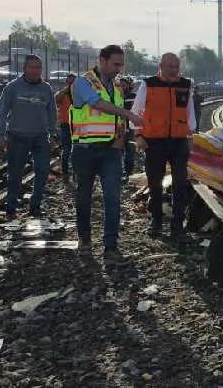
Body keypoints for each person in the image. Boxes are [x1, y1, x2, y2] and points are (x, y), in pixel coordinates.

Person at [70, 45, 143, 261]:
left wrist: (120, 139)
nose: (119, 69)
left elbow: (117, 118)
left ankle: (110, 246)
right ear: (102, 60)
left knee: (113, 198)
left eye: (121, 65)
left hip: (110, 151)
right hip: (85, 150)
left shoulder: (117, 86)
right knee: (84, 196)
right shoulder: (83, 82)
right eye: (115, 64)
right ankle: (84, 239)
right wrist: (128, 113)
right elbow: (98, 104)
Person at [130, 53, 195, 239]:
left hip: (179, 141)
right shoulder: (148, 85)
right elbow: (136, 111)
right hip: (154, 141)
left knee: (180, 184)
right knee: (155, 183)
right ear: (161, 66)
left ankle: (177, 225)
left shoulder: (185, 85)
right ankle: (156, 220)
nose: (175, 70)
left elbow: (189, 112)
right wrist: (137, 134)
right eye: (170, 66)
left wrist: (191, 134)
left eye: (177, 66)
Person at [0, 54, 57, 220]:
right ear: (24, 68)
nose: (35, 71)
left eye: (38, 68)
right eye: (32, 67)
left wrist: (54, 133)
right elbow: (1, 112)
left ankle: (35, 206)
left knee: (43, 171)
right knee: (15, 174)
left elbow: (52, 113)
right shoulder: (12, 87)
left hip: (40, 137)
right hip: (16, 137)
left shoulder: (46, 89)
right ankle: (11, 209)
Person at [54, 73, 76, 181]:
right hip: (66, 125)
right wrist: (66, 89)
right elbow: (55, 99)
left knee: (78, 150)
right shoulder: (63, 94)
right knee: (67, 149)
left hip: (78, 126)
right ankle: (65, 173)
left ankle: (77, 174)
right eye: (69, 82)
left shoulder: (80, 94)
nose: (71, 84)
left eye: (73, 82)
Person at [121, 77, 138, 178]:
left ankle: (128, 171)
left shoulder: (132, 96)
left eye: (124, 84)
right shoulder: (118, 96)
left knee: (130, 149)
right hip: (121, 127)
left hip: (130, 128)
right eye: (121, 84)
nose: (122, 87)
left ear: (129, 85)